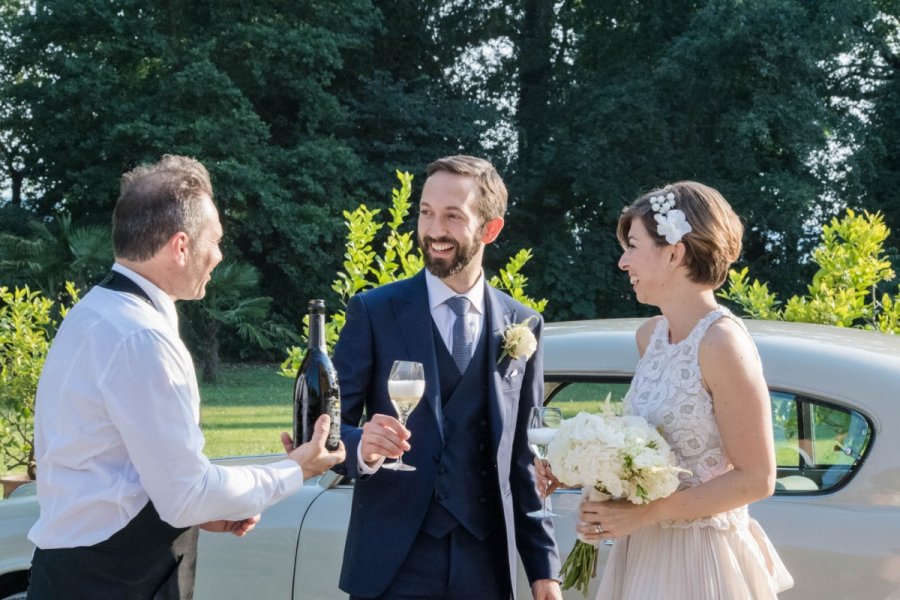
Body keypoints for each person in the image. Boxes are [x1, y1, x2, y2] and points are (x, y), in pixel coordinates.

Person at [27, 155, 345, 600]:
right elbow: (186, 494)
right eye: (214, 241)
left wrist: (204, 509)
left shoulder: (94, 313)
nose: (218, 255)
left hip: (79, 572)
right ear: (180, 246)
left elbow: (120, 471)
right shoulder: (142, 338)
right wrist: (295, 469)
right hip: (117, 582)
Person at [538, 181, 794, 599]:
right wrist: (576, 473)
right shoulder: (651, 336)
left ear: (675, 253)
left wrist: (647, 512)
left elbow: (757, 478)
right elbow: (646, 453)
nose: (623, 262)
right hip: (643, 552)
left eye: (633, 246)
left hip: (699, 559)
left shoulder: (723, 343)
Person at [332, 155, 562, 599]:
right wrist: (363, 447)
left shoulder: (523, 325)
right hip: (393, 564)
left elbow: (524, 458)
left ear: (490, 229)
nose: (434, 230)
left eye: (453, 216)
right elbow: (324, 429)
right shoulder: (374, 312)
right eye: (426, 212)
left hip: (485, 564)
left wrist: (543, 571)